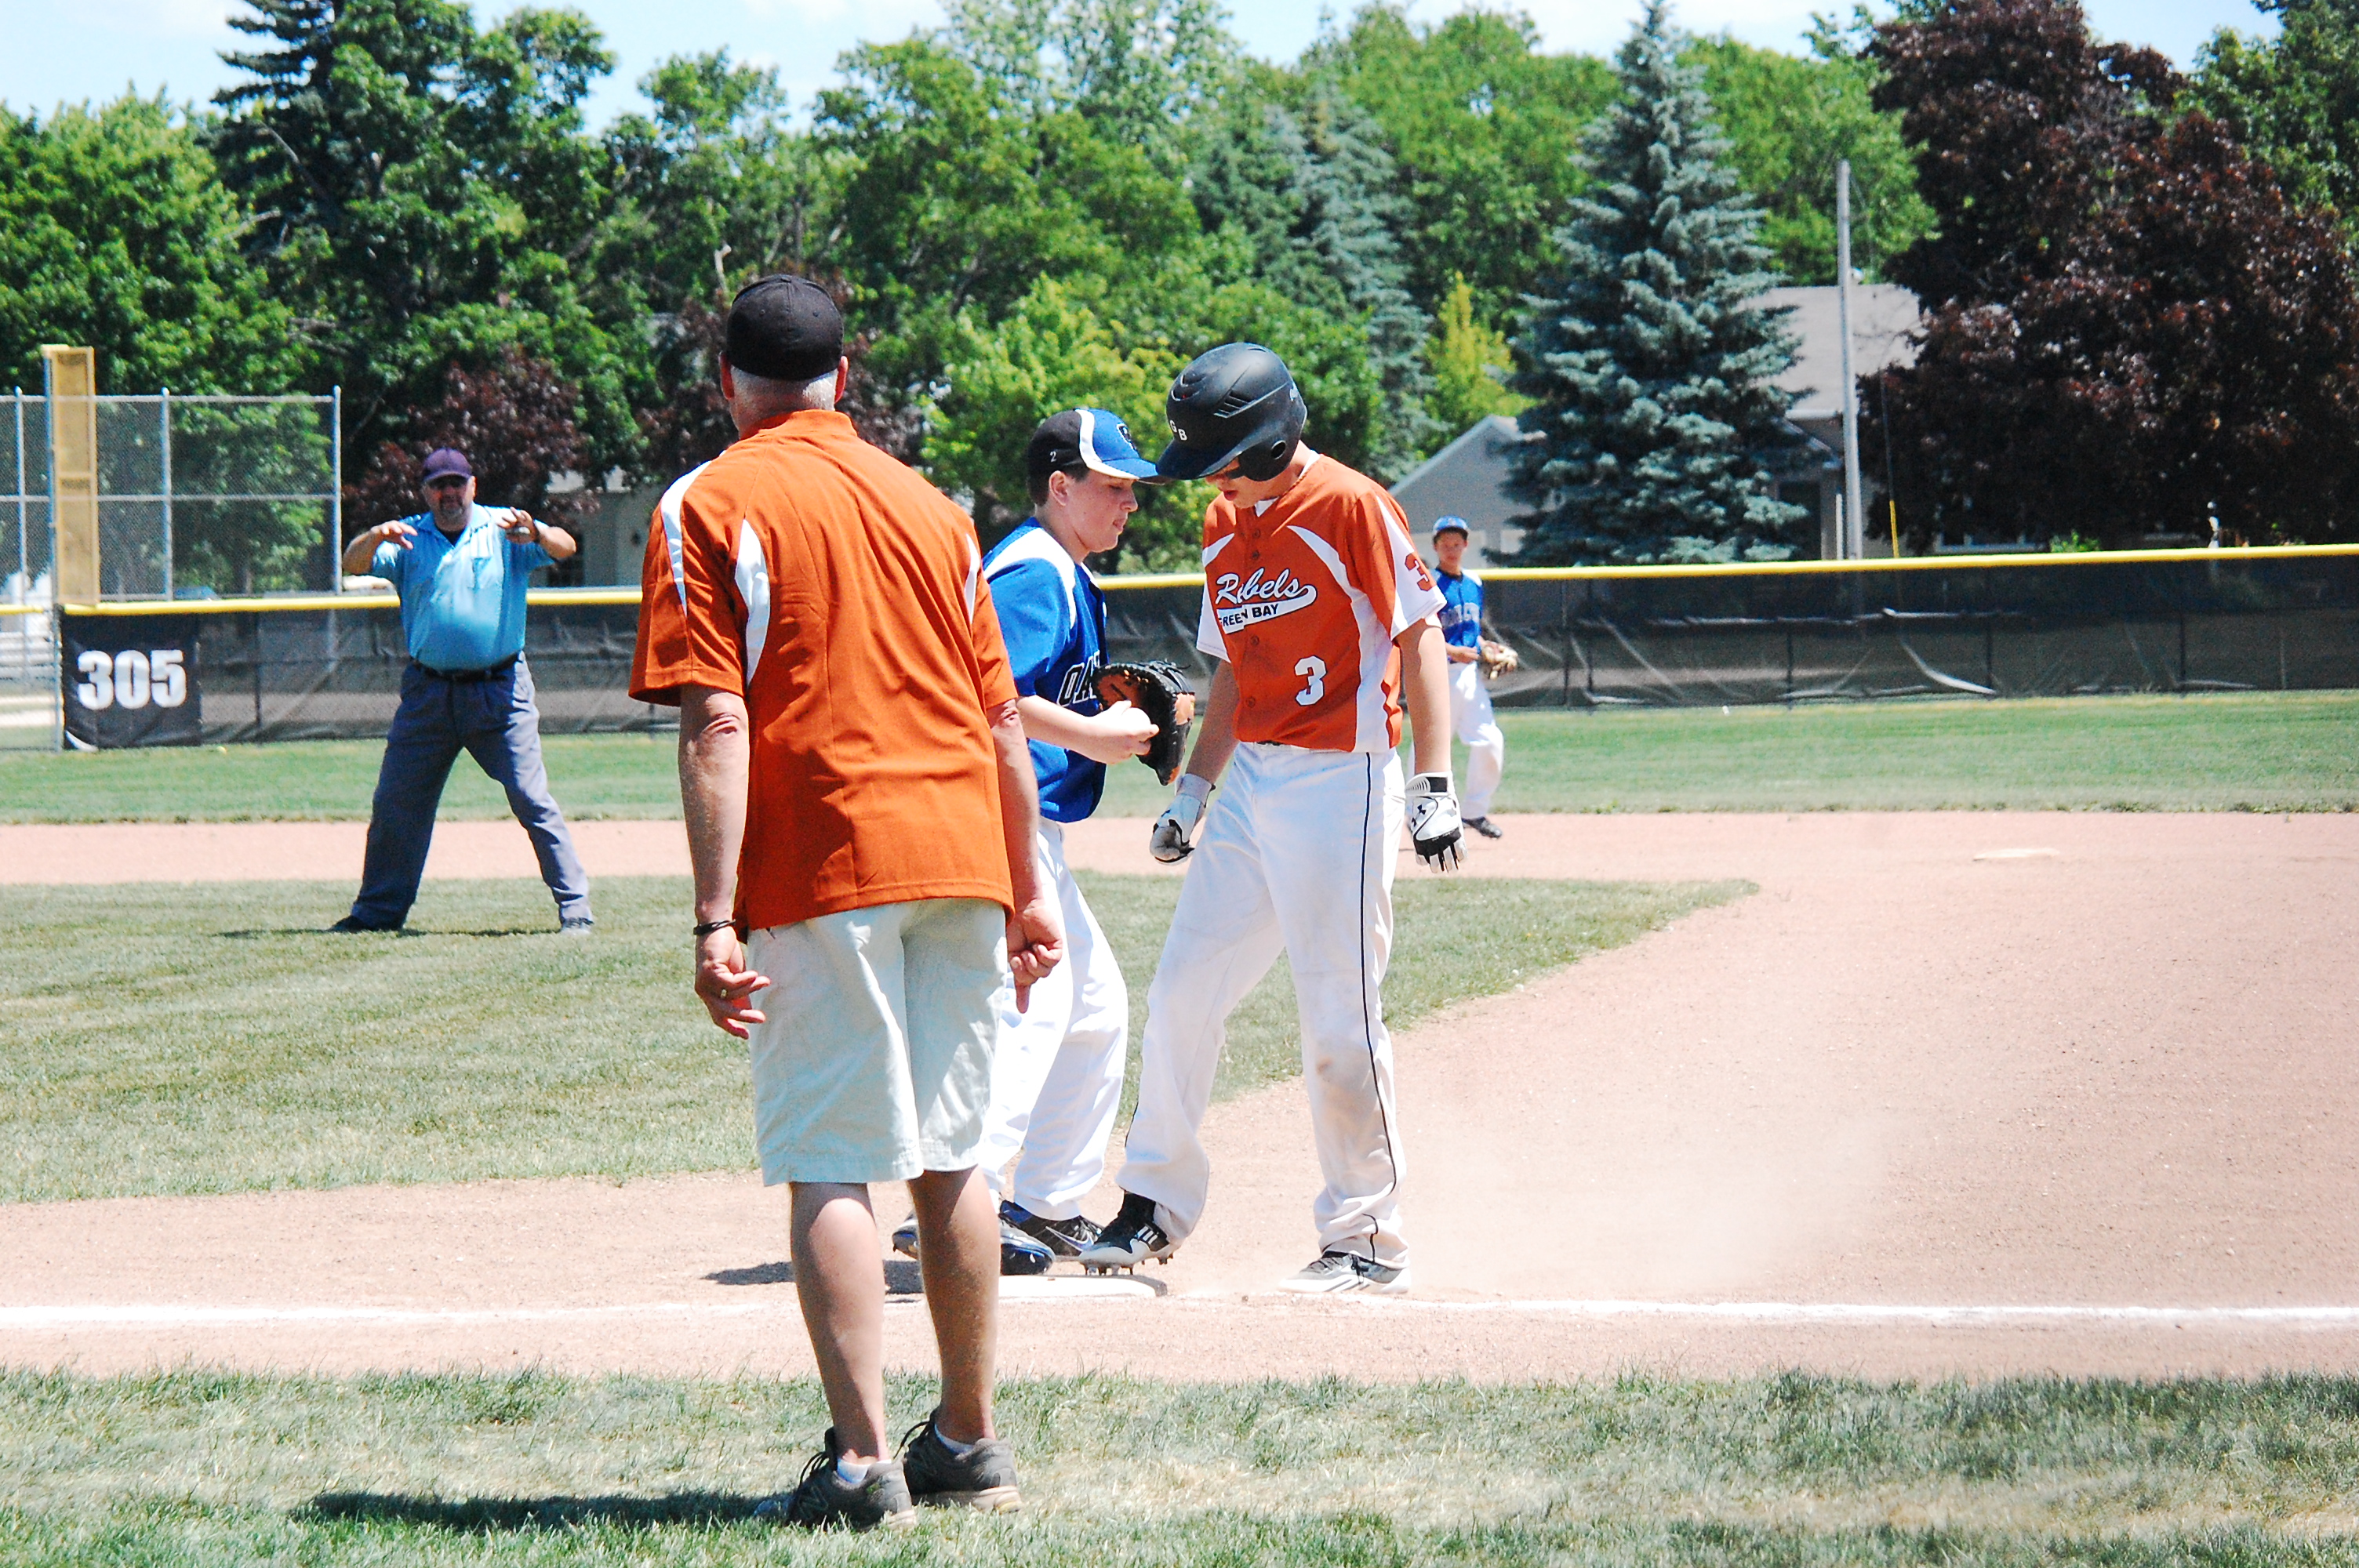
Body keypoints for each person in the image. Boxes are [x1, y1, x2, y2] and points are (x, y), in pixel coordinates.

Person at [630, 274, 1063, 1531]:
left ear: (728, 382)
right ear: (846, 378)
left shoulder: (709, 500)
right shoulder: (934, 508)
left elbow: (719, 719)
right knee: (955, 1154)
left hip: (826, 859)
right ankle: (969, 1439)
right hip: (960, 854)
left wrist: (714, 916)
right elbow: (1000, 723)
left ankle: (866, 1464)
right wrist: (1027, 889)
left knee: (831, 1161)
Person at [1077, 342, 1463, 1295]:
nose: (1206, 480)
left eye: (1216, 460)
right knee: (1182, 991)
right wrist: (1194, 791)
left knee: (1338, 1017)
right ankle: (1153, 1201)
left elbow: (1419, 637)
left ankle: (1366, 1237)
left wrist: (1433, 780)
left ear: (1265, 444)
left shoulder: (1351, 504)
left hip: (1342, 780)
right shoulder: (1223, 520)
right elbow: (1231, 672)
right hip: (1251, 779)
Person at [892, 409, 1164, 1276]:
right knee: (1036, 1003)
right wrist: (1092, 735)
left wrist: (1114, 713)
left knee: (1095, 1009)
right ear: (1059, 486)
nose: (1129, 503)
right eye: (1112, 486)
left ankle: (1043, 1202)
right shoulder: (1035, 570)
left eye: (1131, 488)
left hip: (1027, 820)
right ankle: (960, 1201)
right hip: (994, 816)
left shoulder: (1065, 570)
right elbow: (991, 695)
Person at [331, 448, 592, 934]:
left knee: (530, 798)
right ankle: (377, 914)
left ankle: (576, 909)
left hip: (499, 691)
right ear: (425, 492)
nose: (448, 493)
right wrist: (374, 536)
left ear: (473, 486)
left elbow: (566, 547)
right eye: (438, 485)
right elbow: (352, 563)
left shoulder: (504, 528)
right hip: (428, 694)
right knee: (396, 804)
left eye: (456, 483)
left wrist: (537, 532)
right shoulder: (408, 536)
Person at [1430, 516, 1507, 840]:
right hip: (1437, 675)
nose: (1451, 548)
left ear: (1465, 545)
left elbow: (1470, 630)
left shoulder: (1474, 582)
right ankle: (1419, 813)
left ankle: (1474, 811)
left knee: (1490, 741)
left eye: (1456, 542)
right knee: (1432, 749)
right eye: (1445, 543)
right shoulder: (1428, 583)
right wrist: (1452, 650)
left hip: (1468, 676)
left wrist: (1486, 645)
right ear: (1435, 547)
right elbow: (1420, 632)